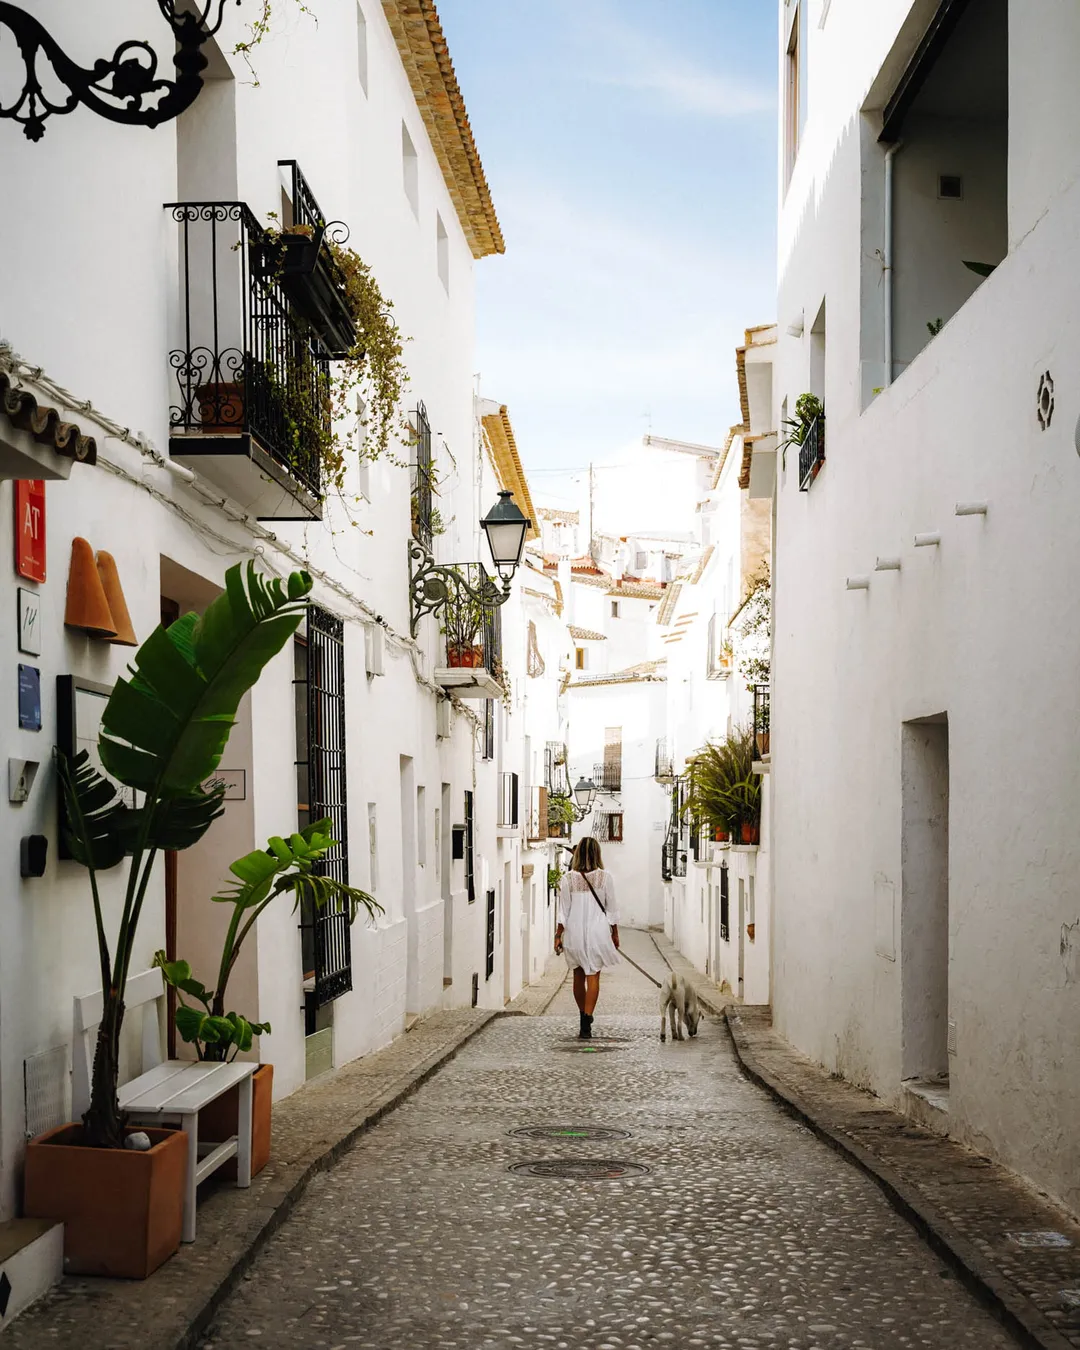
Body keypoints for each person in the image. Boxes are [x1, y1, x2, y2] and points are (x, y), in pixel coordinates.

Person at [554, 836, 620, 1039]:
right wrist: (615, 933)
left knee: (577, 975)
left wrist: (558, 935)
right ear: (597, 853)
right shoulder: (605, 878)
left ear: (578, 853)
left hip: (574, 932)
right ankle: (587, 1018)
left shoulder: (568, 879)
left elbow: (563, 911)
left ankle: (582, 1015)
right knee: (593, 975)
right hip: (597, 932)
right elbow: (612, 909)